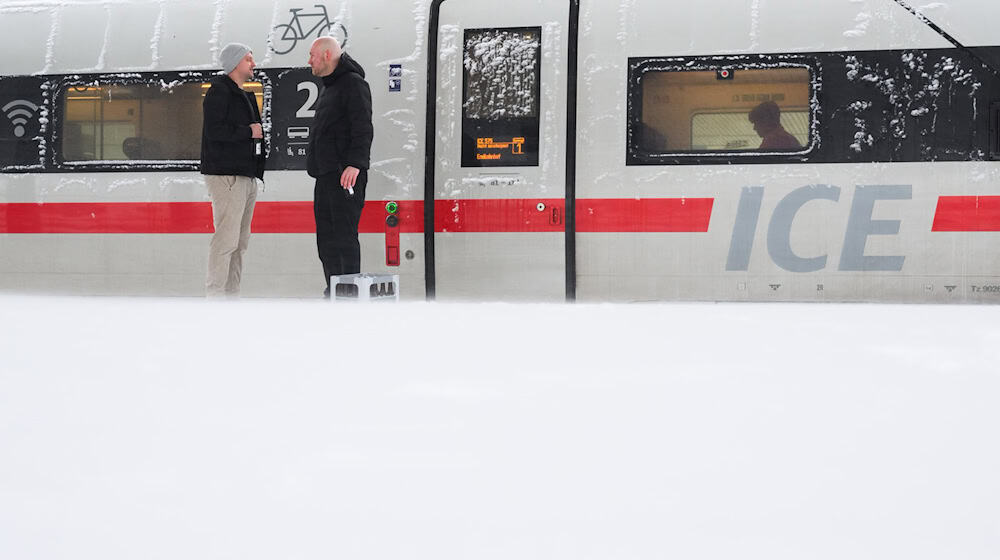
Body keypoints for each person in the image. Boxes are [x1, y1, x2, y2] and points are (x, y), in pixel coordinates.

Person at [306, 36, 374, 298]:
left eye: (312, 54)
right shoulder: (330, 87)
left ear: (326, 55)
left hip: (345, 175)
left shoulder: (353, 84)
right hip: (325, 174)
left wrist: (355, 164)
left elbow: (363, 127)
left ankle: (349, 293)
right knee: (326, 239)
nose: (308, 60)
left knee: (344, 236)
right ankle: (334, 289)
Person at [200, 42, 266, 298]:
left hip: (245, 175)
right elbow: (215, 132)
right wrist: (248, 132)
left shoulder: (242, 94)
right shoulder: (219, 92)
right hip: (226, 175)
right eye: (249, 59)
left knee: (239, 242)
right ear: (236, 63)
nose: (253, 64)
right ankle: (216, 296)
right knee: (227, 240)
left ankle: (232, 294)